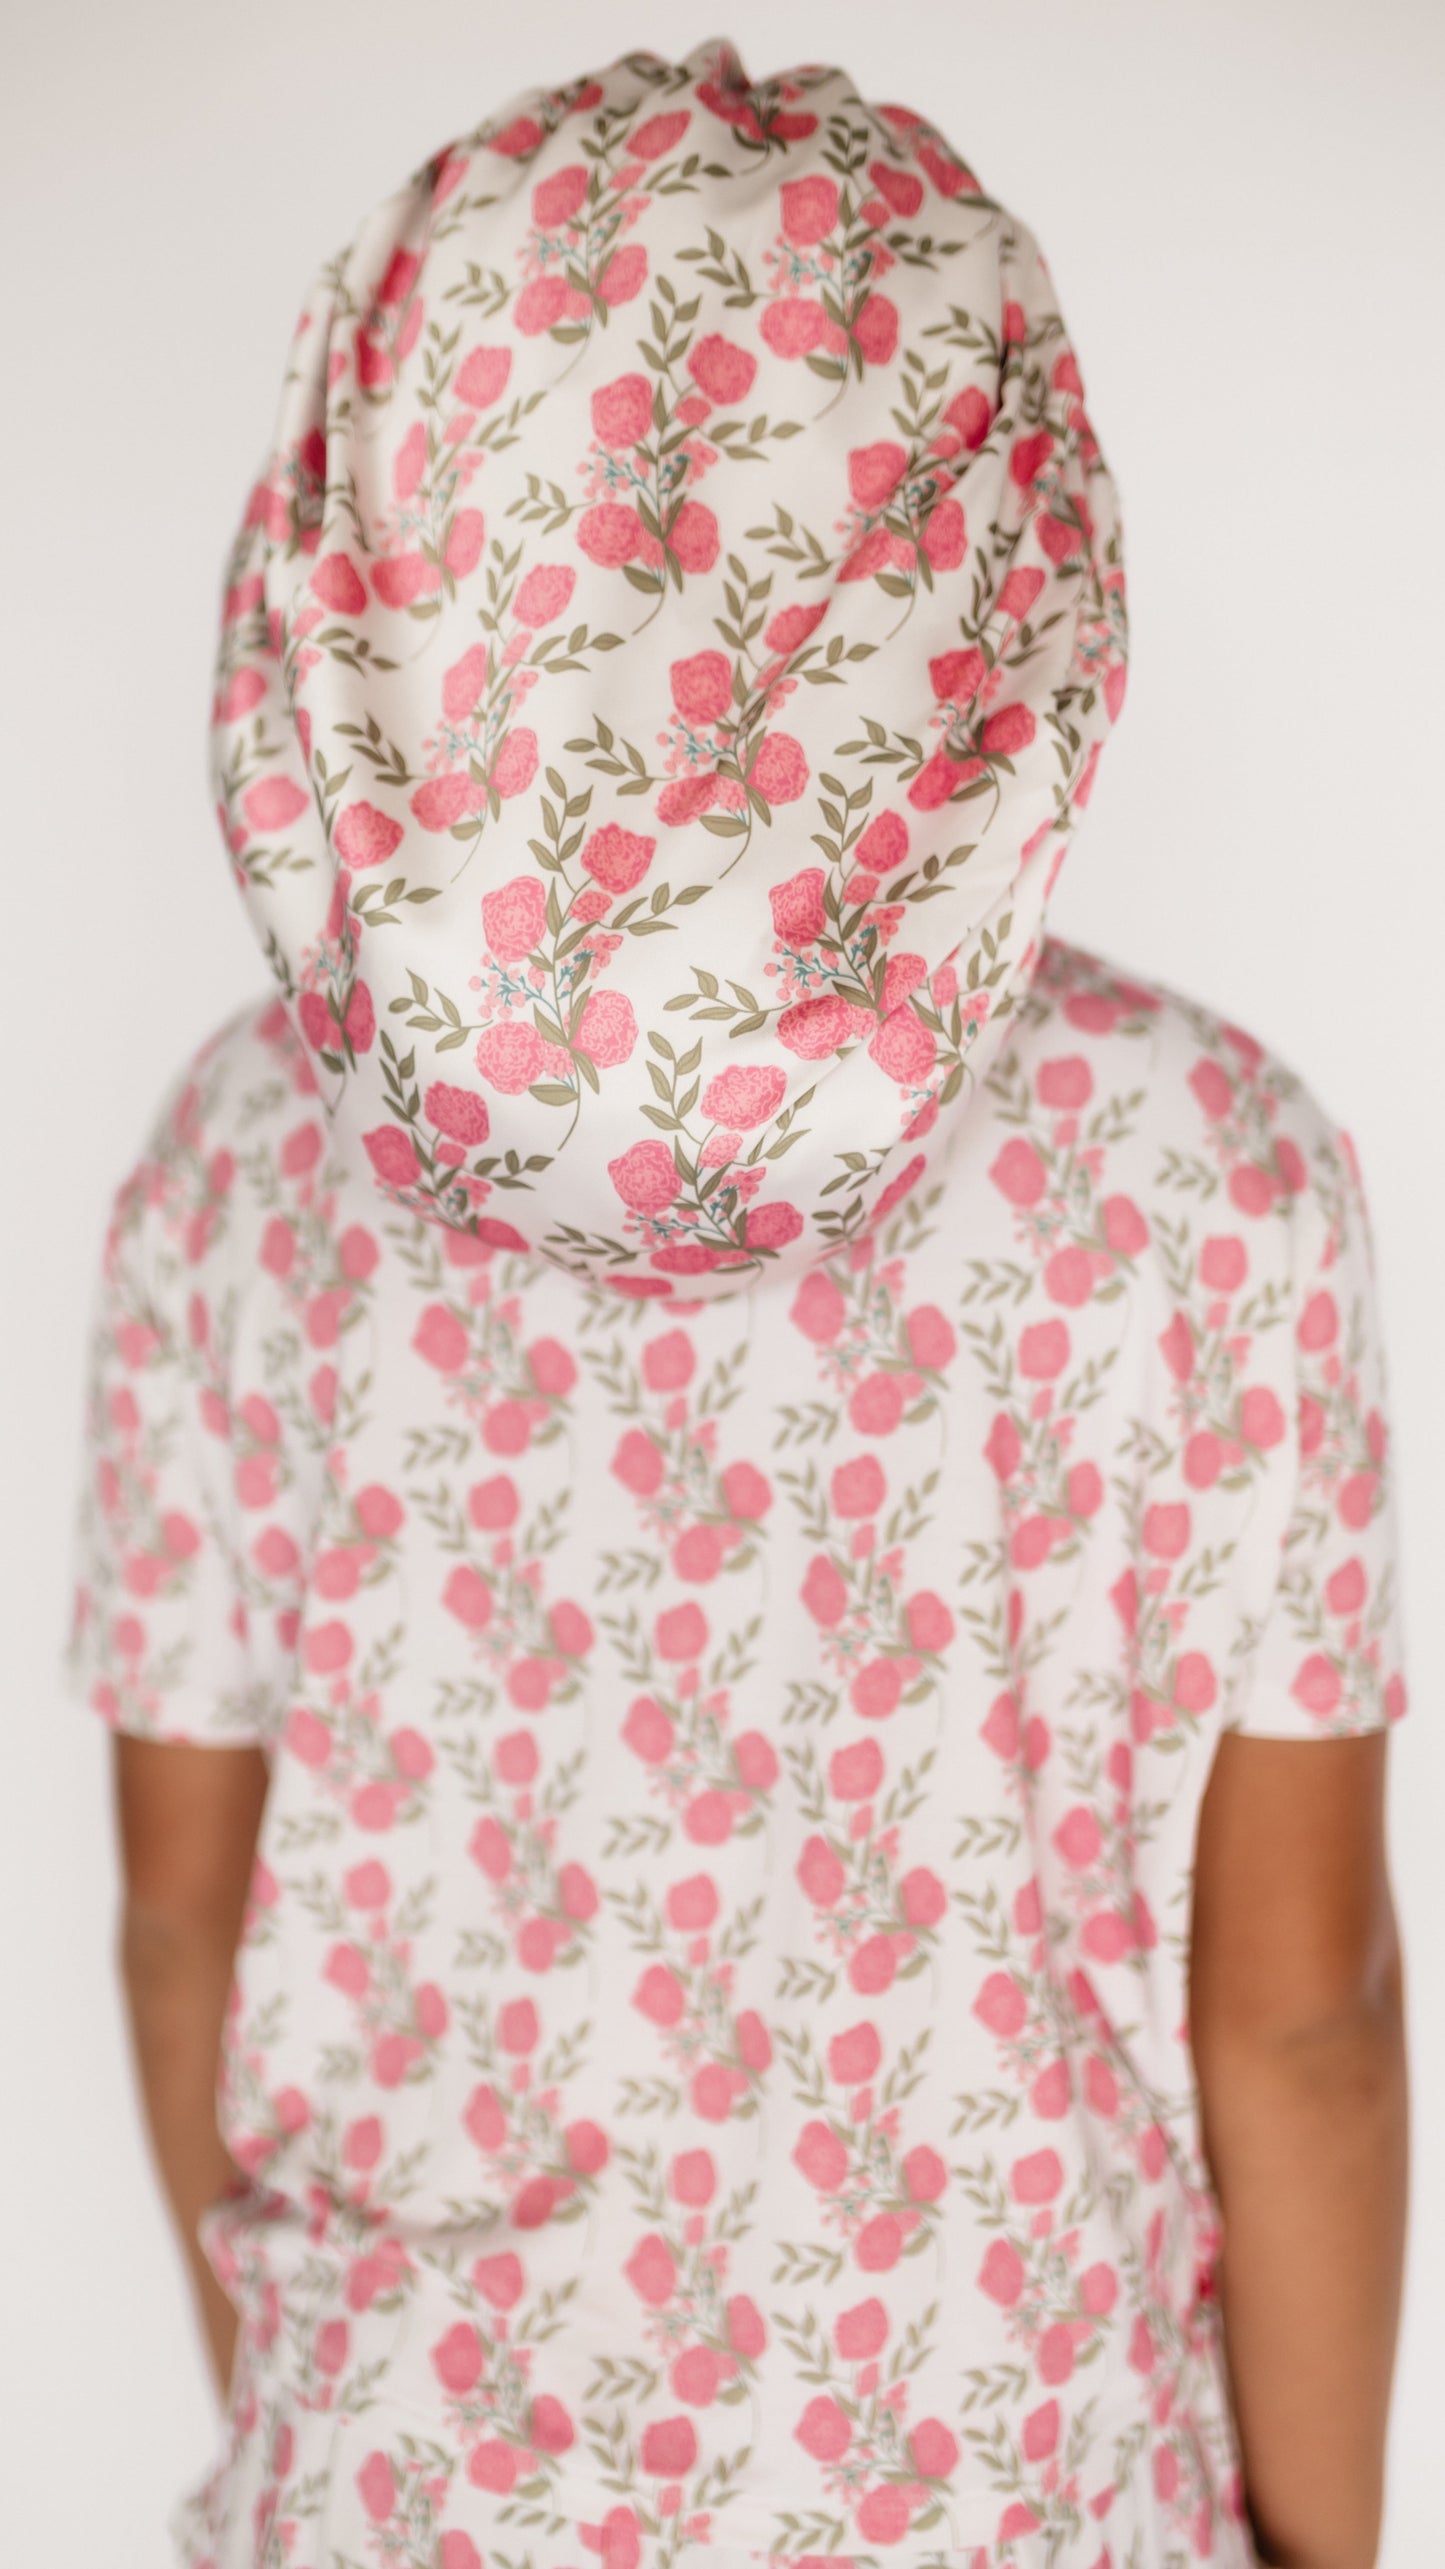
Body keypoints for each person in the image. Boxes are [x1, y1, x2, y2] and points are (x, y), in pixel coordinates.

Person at [66, 34, 1409, 2569]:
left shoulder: (237, 1161)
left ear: (404, 523)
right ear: (990, 549)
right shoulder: (1218, 1175)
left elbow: (178, 1926)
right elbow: (1302, 2017)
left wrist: (359, 2438)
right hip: (1028, 2501)